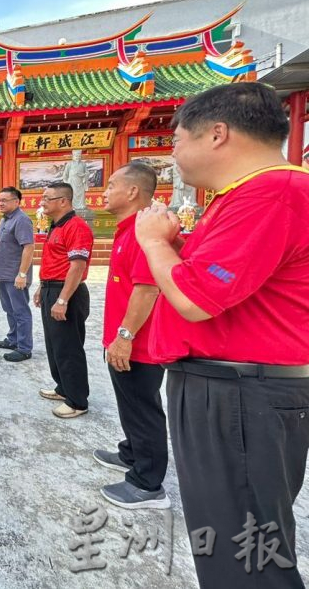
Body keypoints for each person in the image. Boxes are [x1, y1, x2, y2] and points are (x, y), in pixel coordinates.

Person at [135, 83, 309, 587]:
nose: (173, 153)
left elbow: (194, 299)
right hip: (231, 387)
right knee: (234, 538)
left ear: (217, 133)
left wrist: (153, 242)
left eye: (177, 139)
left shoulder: (272, 192)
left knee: (245, 554)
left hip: (240, 392)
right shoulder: (245, 196)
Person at [94, 161, 168, 510]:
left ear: (133, 191)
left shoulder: (145, 232)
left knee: (143, 408)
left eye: (111, 184)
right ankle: (132, 452)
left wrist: (124, 336)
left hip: (139, 343)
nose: (104, 191)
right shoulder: (129, 229)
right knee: (130, 404)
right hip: (123, 339)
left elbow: (147, 289)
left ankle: (148, 484)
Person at [33, 181, 93, 419]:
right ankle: (63, 388)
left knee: (69, 347)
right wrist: (42, 287)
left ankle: (78, 400)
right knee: (54, 345)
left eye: (47, 198)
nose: (42, 202)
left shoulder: (77, 227)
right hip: (52, 289)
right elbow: (54, 262)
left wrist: (62, 300)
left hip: (67, 292)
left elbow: (77, 266)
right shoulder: (56, 225)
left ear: (63, 201)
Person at [0, 187, 34, 362]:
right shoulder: (4, 220)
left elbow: (29, 248)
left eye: (5, 200)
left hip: (15, 276)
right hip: (3, 273)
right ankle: (13, 339)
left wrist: (22, 274)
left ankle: (24, 348)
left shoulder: (22, 220)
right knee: (9, 309)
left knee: (20, 311)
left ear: (16, 202)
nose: (0, 203)